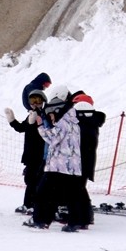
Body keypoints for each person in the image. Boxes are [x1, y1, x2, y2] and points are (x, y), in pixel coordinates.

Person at [24, 84, 84, 231]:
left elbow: (53, 138)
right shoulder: (73, 121)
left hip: (58, 165)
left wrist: (40, 126)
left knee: (43, 193)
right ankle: (74, 222)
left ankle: (40, 220)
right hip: (72, 165)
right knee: (71, 196)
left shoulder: (63, 121)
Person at [5, 82, 49, 213]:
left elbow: (46, 133)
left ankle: (35, 205)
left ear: (43, 102)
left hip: (40, 154)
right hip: (30, 154)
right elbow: (21, 128)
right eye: (32, 101)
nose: (35, 104)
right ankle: (28, 204)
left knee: (36, 180)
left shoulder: (45, 116)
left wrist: (34, 123)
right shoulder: (31, 115)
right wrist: (12, 120)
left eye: (38, 101)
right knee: (30, 179)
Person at [69, 91, 106, 227]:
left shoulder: (81, 123)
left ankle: (82, 218)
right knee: (79, 189)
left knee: (77, 189)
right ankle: (85, 217)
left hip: (79, 161)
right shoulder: (91, 121)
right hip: (86, 161)